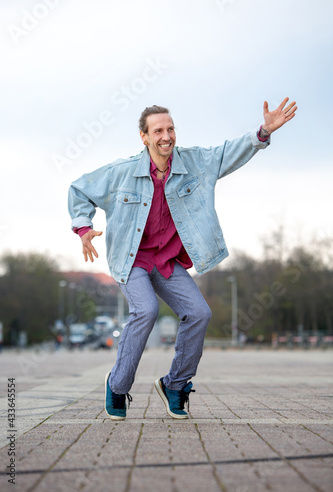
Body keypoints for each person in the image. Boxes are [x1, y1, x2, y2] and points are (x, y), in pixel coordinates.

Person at [68, 98, 297, 421]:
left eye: (170, 128)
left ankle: (175, 384)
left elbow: (227, 153)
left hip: (167, 261)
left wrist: (262, 133)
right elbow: (79, 190)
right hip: (132, 259)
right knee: (145, 310)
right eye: (158, 130)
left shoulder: (196, 163)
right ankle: (118, 386)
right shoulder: (121, 173)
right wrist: (83, 227)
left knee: (199, 313)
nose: (166, 136)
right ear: (144, 137)